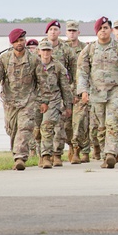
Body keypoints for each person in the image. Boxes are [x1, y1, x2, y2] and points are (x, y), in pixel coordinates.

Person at [77, 17, 118, 169]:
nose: (103, 30)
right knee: (101, 126)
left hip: (116, 92)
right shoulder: (89, 50)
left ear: (110, 30)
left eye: (105, 27)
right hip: (97, 93)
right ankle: (106, 155)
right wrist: (83, 91)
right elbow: (82, 72)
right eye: (100, 28)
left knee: (112, 123)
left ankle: (111, 154)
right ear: (96, 31)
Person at [0, 28, 40, 170]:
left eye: (22, 40)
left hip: (28, 100)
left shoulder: (34, 59)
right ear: (11, 42)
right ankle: (16, 153)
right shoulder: (3, 59)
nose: (19, 43)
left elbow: (42, 82)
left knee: (25, 128)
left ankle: (20, 157)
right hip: (10, 102)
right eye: (16, 41)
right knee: (12, 130)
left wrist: (44, 101)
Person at [42, 20, 77, 166]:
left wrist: (73, 91)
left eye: (56, 29)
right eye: (50, 29)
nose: (53, 32)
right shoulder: (41, 47)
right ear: (47, 32)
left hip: (60, 93)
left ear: (59, 32)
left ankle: (57, 154)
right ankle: (43, 154)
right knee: (42, 127)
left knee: (59, 125)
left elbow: (74, 70)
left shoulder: (66, 49)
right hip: (41, 95)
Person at [34, 39, 73, 169]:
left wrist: (68, 105)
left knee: (47, 127)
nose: (46, 52)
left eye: (48, 50)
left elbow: (65, 87)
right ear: (39, 51)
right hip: (36, 101)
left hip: (53, 100)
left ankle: (47, 156)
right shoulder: (33, 65)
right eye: (43, 50)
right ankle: (41, 155)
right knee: (36, 130)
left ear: (52, 51)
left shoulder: (57, 66)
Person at [62, 20, 90, 163]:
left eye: (74, 31)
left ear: (78, 32)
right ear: (66, 33)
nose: (72, 33)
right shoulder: (62, 48)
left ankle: (81, 150)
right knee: (66, 125)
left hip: (80, 92)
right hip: (65, 93)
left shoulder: (85, 48)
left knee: (80, 122)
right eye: (69, 31)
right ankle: (72, 147)